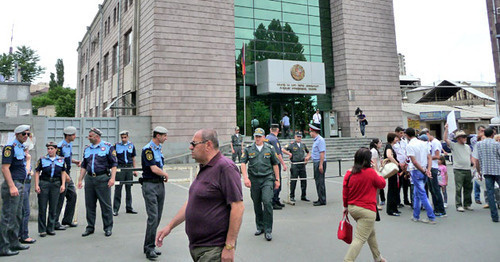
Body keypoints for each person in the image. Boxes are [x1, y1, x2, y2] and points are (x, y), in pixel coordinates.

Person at [156, 129, 244, 262]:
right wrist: (170, 226)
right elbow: (192, 202)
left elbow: (238, 207)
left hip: (214, 249)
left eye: (194, 143)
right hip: (200, 248)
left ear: (208, 145)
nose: (190, 147)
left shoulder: (225, 168)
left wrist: (229, 246)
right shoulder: (204, 167)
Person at [342, 148, 386, 262]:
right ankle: (348, 260)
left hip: (353, 208)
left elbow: (345, 192)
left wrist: (345, 207)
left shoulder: (349, 172)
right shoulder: (370, 172)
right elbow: (382, 184)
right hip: (367, 209)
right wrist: (376, 169)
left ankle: (378, 257)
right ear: (368, 160)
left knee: (371, 234)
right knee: (360, 238)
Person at [77, 127, 118, 237]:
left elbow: (114, 164)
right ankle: (90, 227)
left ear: (97, 137)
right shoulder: (87, 149)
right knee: (90, 204)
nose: (88, 137)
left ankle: (108, 227)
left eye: (90, 136)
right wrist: (80, 179)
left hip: (102, 178)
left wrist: (112, 178)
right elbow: (84, 165)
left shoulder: (108, 147)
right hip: (90, 179)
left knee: (106, 205)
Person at [241, 128, 280, 241]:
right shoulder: (249, 149)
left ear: (263, 137)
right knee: (257, 203)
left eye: (259, 136)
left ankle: (268, 230)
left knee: (267, 202)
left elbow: (275, 164)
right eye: (256, 136)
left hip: (267, 178)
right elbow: (243, 162)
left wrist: (277, 179)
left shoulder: (270, 148)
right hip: (254, 180)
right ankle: (260, 226)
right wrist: (245, 178)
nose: (257, 138)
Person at [0, 125, 31, 256]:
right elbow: (5, 168)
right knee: (8, 217)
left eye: (28, 134)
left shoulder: (20, 147)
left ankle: (14, 242)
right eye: (24, 134)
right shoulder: (9, 148)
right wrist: (12, 186)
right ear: (17, 134)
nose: (26, 136)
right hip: (12, 185)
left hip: (21, 184)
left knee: (18, 215)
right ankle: (3, 247)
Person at [141, 126, 169, 259]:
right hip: (150, 184)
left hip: (159, 184)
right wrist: (165, 174)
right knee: (153, 217)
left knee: (157, 217)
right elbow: (153, 168)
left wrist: (162, 175)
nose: (166, 138)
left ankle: (149, 244)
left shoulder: (158, 149)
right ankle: (149, 248)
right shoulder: (148, 149)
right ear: (158, 135)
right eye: (164, 135)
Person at [34, 142, 67, 237]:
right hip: (44, 182)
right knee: (42, 206)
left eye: (52, 148)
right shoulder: (42, 159)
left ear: (56, 149)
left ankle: (51, 227)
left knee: (53, 206)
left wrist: (63, 184)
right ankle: (42, 229)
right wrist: (36, 185)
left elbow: (63, 172)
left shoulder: (61, 160)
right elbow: (37, 172)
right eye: (48, 148)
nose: (50, 150)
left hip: (56, 183)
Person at [405, 128, 436, 224]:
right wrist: (428, 170)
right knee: (417, 193)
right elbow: (429, 157)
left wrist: (424, 171)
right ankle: (416, 215)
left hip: (417, 171)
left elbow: (414, 162)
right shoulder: (423, 143)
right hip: (424, 168)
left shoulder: (410, 145)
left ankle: (431, 217)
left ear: (407, 135)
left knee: (421, 194)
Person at [472, 127, 500, 222]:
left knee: (490, 193)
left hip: (487, 171)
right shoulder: (497, 144)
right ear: (492, 135)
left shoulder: (479, 144)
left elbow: (477, 159)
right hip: (498, 170)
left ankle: (494, 216)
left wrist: (479, 172)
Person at [444, 124, 473, 212]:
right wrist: (446, 129)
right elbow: (445, 139)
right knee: (458, 187)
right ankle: (459, 204)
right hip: (458, 169)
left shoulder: (468, 147)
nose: (465, 138)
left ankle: (467, 204)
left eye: (465, 136)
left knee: (468, 187)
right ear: (458, 138)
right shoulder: (454, 145)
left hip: (468, 169)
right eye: (463, 137)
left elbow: (471, 157)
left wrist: (474, 165)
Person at [55, 126, 80, 230]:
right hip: (62, 174)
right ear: (68, 135)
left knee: (72, 195)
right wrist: (65, 175)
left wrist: (75, 161)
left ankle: (67, 220)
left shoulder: (68, 145)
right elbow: (58, 161)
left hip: (67, 173)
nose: (75, 136)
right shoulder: (60, 146)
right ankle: (54, 222)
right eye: (73, 135)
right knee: (60, 198)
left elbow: (66, 158)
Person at [113, 130, 138, 216]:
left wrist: (134, 170)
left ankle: (129, 207)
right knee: (118, 189)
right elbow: (113, 158)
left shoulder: (131, 145)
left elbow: (133, 158)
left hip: (129, 168)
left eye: (125, 137)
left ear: (128, 137)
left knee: (129, 189)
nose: (123, 139)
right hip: (120, 168)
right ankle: (115, 209)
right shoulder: (116, 146)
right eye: (122, 137)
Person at [422, 129, 446, 217]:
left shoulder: (435, 142)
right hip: (429, 167)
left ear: (428, 134)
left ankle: (441, 209)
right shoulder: (428, 143)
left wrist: (428, 158)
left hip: (433, 167)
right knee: (431, 190)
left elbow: (437, 156)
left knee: (436, 189)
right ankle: (436, 208)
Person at [282, 131, 311, 202]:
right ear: (295, 137)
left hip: (302, 164)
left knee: (304, 181)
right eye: (297, 136)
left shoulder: (303, 145)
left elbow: (309, 152)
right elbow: (283, 149)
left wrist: (307, 158)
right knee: (293, 181)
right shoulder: (292, 145)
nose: (299, 138)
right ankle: (292, 196)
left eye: (300, 137)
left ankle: (303, 196)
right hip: (295, 164)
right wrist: (289, 153)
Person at [265, 124, 287, 209]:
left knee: (272, 182)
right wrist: (283, 164)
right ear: (277, 130)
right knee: (277, 182)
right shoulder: (274, 139)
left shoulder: (267, 137)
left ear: (271, 129)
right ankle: (274, 201)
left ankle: (276, 200)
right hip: (275, 164)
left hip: (268, 163)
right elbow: (278, 154)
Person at [19, 146, 35, 244]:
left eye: (27, 150)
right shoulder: (21, 160)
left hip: (27, 184)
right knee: (25, 211)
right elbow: (25, 172)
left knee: (22, 211)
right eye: (25, 150)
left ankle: (20, 234)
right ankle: (24, 235)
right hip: (23, 184)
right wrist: (28, 161)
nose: (27, 152)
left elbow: (30, 171)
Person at [309, 124, 327, 206]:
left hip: (319, 162)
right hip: (316, 161)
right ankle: (320, 198)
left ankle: (322, 200)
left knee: (320, 181)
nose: (310, 134)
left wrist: (320, 165)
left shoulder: (320, 140)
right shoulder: (316, 140)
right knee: (318, 181)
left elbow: (322, 153)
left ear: (313, 132)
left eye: (310, 132)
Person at [384, 133, 400, 216]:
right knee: (392, 189)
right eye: (395, 138)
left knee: (394, 188)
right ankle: (391, 209)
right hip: (392, 170)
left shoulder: (390, 146)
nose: (397, 139)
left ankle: (394, 208)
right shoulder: (389, 147)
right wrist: (397, 163)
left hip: (393, 170)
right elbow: (389, 156)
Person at [393, 127, 410, 206]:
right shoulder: (393, 143)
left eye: (403, 133)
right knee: (398, 184)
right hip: (398, 165)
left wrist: (406, 163)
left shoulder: (404, 142)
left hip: (405, 164)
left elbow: (406, 152)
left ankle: (406, 199)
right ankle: (397, 201)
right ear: (396, 132)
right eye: (400, 133)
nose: (402, 135)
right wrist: (399, 163)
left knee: (406, 182)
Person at [471, 125, 485, 205]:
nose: (483, 132)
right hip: (476, 160)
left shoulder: (486, 138)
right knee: (477, 180)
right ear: (478, 131)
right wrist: (479, 136)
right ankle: (477, 197)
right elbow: (474, 143)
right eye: (482, 130)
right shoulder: (474, 138)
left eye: (484, 130)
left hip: (484, 162)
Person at [369, 138, 385, 209]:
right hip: (375, 171)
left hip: (377, 170)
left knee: (377, 189)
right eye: (379, 143)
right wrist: (377, 172)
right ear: (375, 144)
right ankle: (376, 204)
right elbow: (374, 162)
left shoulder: (375, 151)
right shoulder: (374, 151)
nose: (381, 144)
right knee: (377, 189)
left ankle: (376, 203)